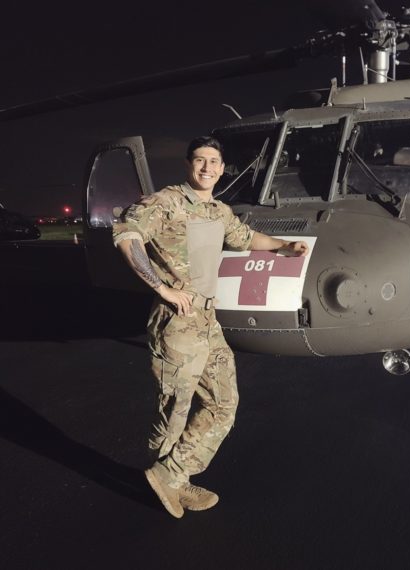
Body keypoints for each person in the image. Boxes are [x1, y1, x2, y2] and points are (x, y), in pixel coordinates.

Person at [112, 136, 309, 518]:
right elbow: (126, 234)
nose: (207, 167)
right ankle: (167, 483)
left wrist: (284, 246)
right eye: (200, 160)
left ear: (221, 168)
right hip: (177, 321)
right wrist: (161, 288)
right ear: (189, 164)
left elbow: (246, 237)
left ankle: (172, 474)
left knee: (223, 403)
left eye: (214, 161)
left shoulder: (218, 211)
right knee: (176, 408)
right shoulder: (166, 202)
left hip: (207, 321)